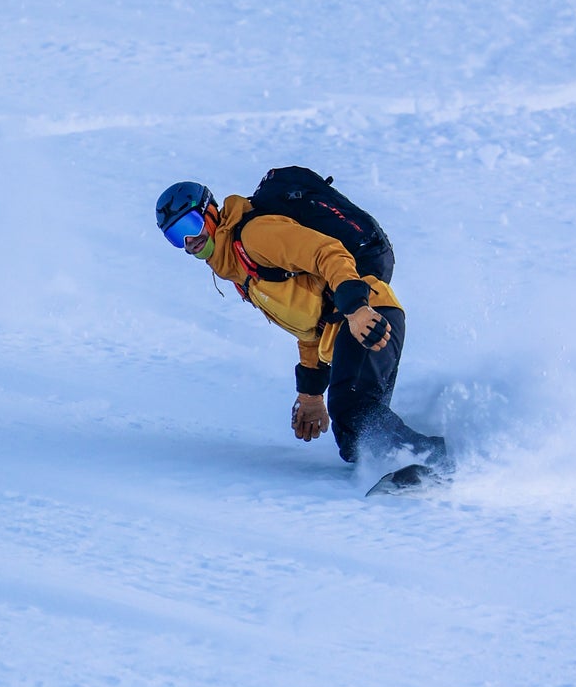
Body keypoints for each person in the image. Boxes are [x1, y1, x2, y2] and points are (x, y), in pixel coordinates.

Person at [155, 177, 446, 474]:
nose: (189, 241)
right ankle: (410, 473)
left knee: (354, 412)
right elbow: (310, 325)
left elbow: (327, 253)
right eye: (176, 237)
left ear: (211, 214)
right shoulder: (242, 272)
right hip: (352, 323)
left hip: (367, 315)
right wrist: (311, 394)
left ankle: (435, 463)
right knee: (357, 439)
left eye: (190, 226)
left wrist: (356, 308)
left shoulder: (256, 235)